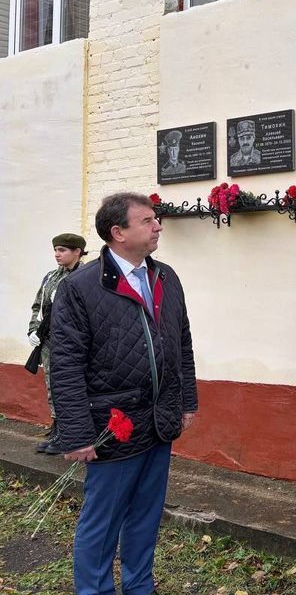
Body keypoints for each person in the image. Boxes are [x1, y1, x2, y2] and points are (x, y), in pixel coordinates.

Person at [50, 192, 198, 595]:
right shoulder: (81, 287)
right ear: (118, 232)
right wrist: (77, 433)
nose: (158, 226)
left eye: (156, 219)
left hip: (159, 422)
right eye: (148, 220)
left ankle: (139, 587)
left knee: (146, 518)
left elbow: (181, 342)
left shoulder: (165, 276)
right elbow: (65, 365)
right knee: (102, 523)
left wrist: (187, 401)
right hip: (113, 426)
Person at [27, 233, 87, 455]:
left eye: (62, 250)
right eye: (56, 250)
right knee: (52, 387)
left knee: (69, 388)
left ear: (77, 252)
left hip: (72, 343)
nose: (57, 254)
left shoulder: (85, 277)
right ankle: (57, 430)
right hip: (49, 341)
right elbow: (38, 305)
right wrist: (34, 329)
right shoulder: (51, 277)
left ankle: (69, 434)